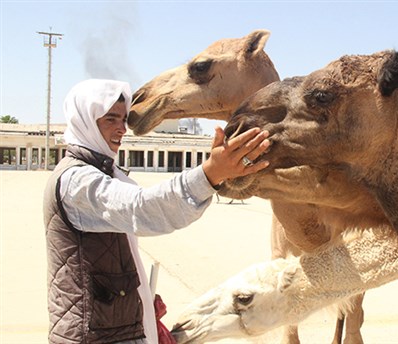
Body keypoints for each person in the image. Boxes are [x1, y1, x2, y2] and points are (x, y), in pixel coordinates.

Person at [43, 79, 270, 344]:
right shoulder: (77, 181)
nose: (121, 129)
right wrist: (211, 174)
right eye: (110, 119)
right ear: (85, 121)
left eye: (124, 119)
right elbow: (142, 209)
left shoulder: (105, 173)